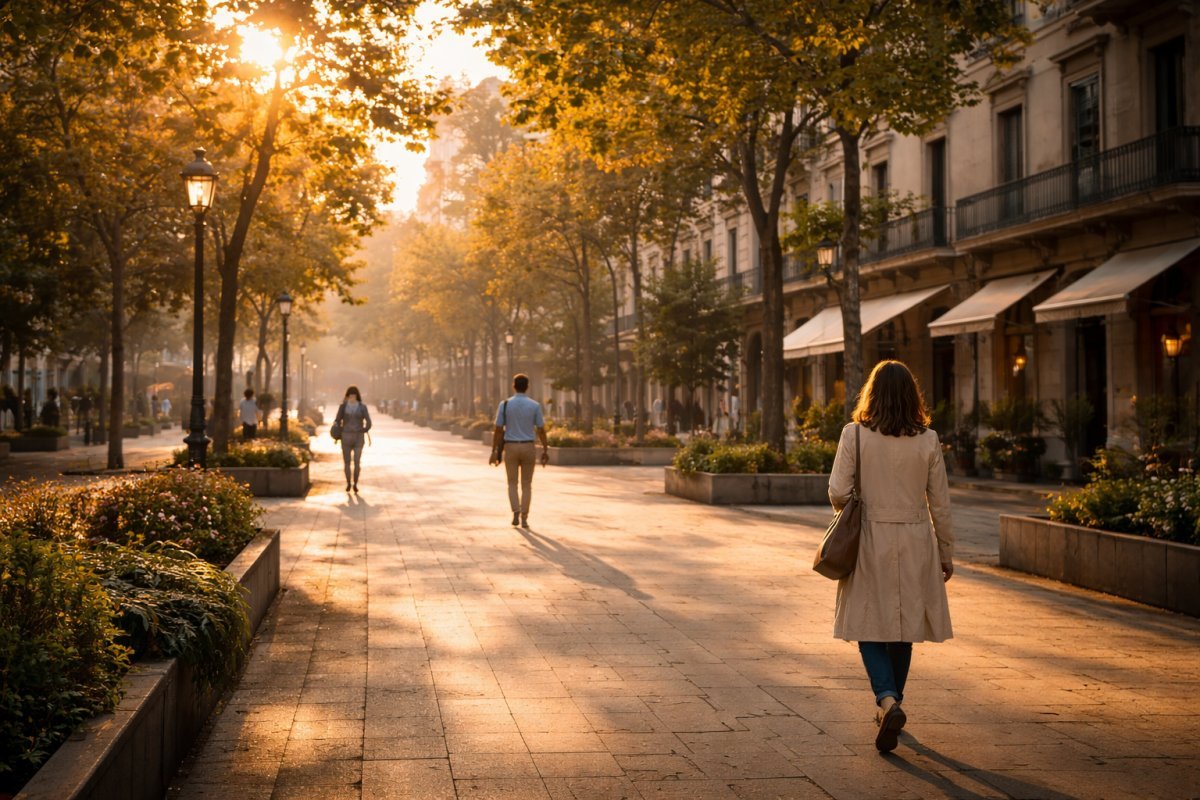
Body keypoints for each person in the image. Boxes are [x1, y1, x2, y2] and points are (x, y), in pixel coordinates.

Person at [827, 359, 953, 754]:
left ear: (872, 394)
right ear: (913, 396)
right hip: (916, 539)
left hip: (870, 537)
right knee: (904, 623)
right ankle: (893, 702)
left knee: (868, 623)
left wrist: (856, 507)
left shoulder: (855, 434)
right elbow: (940, 502)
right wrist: (946, 551)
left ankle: (887, 701)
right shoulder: (928, 440)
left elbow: (837, 491)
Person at [489, 373, 549, 527]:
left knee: (512, 482)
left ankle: (515, 511)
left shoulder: (505, 404)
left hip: (511, 447)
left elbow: (498, 429)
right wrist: (545, 449)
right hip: (528, 446)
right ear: (527, 387)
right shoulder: (534, 405)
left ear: (513, 386)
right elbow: (541, 430)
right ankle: (524, 516)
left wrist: (494, 450)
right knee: (527, 484)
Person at [334, 385, 372, 493]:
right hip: (348, 437)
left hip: (356, 437)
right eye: (350, 396)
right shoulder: (344, 407)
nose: (352, 398)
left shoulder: (361, 407)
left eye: (353, 396)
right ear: (347, 396)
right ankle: (348, 483)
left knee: (356, 462)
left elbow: (369, 422)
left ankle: (354, 483)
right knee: (348, 462)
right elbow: (337, 420)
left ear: (356, 396)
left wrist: (364, 430)